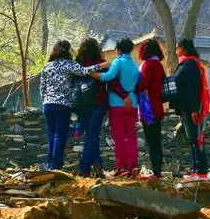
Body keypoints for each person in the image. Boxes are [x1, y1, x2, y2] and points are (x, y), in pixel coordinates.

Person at [39, 39, 103, 170]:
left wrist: (45, 101)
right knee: (59, 135)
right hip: (62, 105)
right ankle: (56, 166)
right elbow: (85, 71)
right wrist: (101, 65)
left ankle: (50, 163)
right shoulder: (68, 64)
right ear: (68, 51)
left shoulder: (47, 66)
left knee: (51, 135)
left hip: (48, 105)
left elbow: (42, 88)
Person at [74, 37, 124, 177]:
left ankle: (97, 166)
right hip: (98, 103)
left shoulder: (77, 65)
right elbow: (113, 83)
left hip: (81, 105)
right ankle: (84, 169)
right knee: (93, 135)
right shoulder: (102, 64)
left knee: (91, 136)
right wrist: (124, 96)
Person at [92, 38, 140, 177]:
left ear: (118, 49)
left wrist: (93, 74)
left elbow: (109, 76)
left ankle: (121, 166)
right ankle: (132, 165)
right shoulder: (133, 64)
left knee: (119, 136)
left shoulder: (118, 62)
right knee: (131, 135)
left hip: (118, 104)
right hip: (133, 103)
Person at [169, 37, 210, 180]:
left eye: (177, 47)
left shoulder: (191, 65)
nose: (176, 50)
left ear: (183, 48)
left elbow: (193, 88)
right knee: (193, 139)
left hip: (192, 108)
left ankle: (200, 171)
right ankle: (196, 169)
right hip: (185, 107)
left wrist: (194, 109)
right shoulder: (185, 64)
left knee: (196, 138)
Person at [135, 39, 167, 179]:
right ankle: (158, 170)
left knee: (152, 141)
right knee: (156, 141)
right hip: (157, 107)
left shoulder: (147, 65)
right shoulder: (159, 65)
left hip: (149, 109)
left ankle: (156, 172)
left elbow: (143, 85)